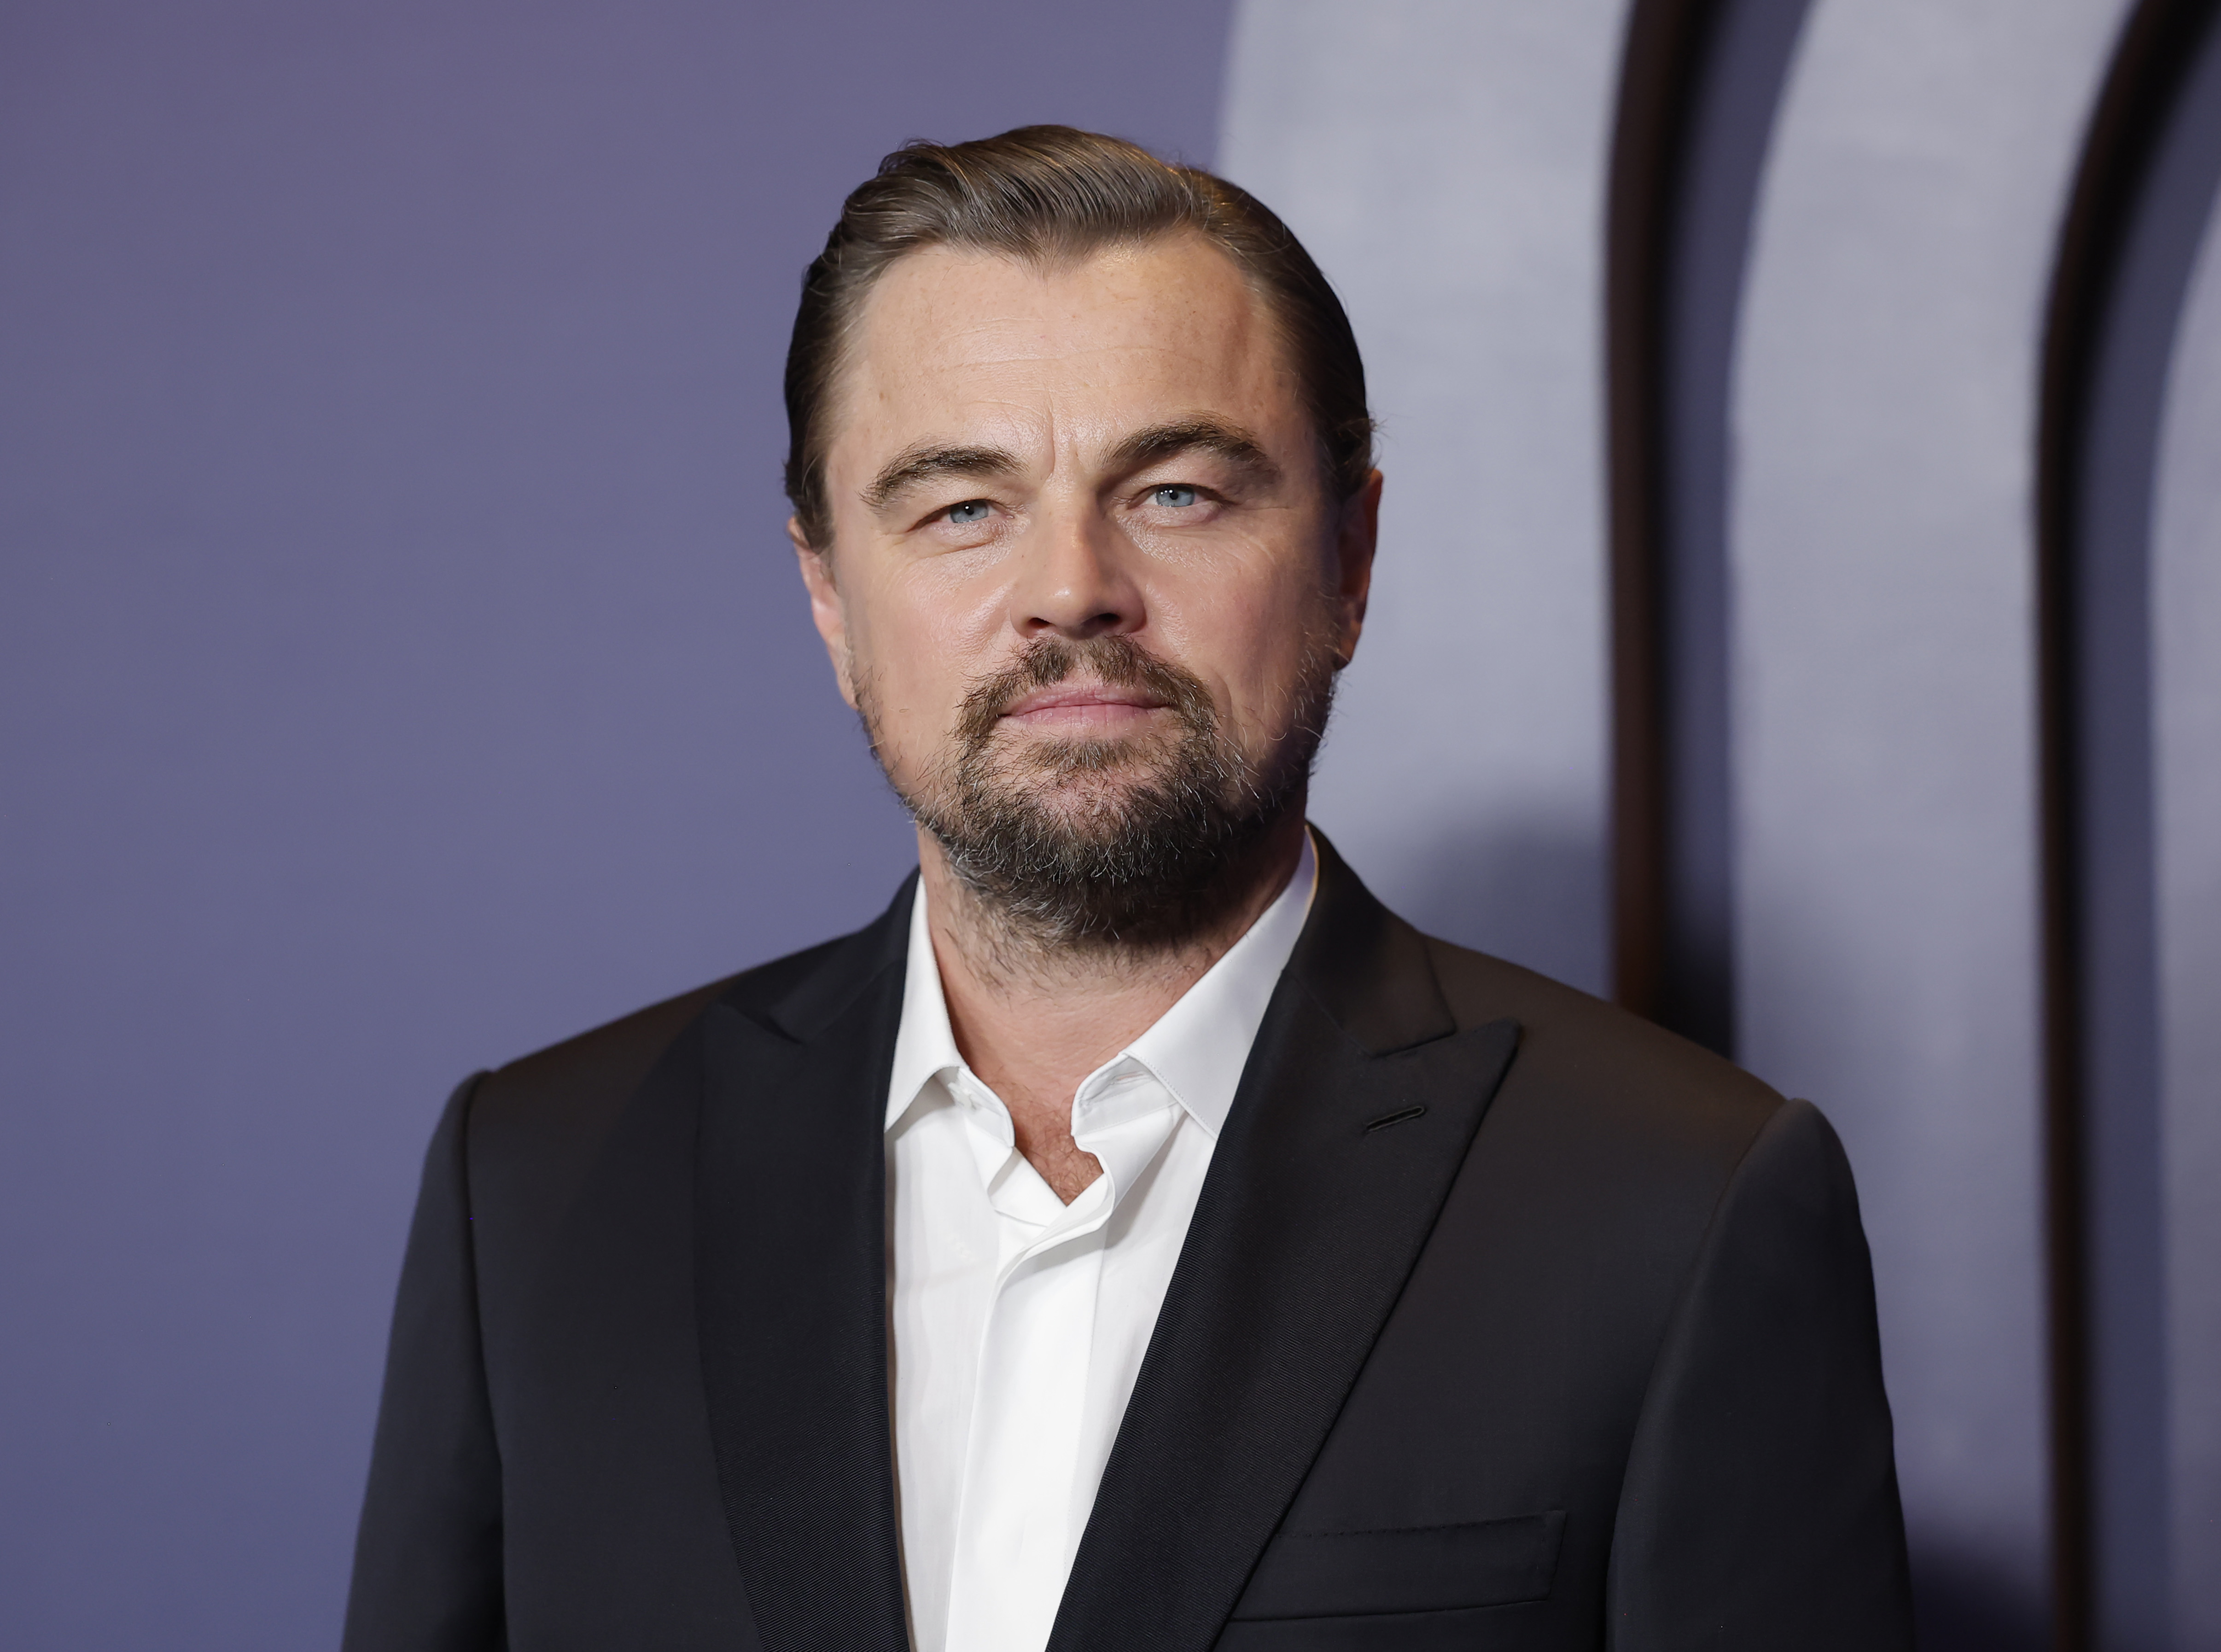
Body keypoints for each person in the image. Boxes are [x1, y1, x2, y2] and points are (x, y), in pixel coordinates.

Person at [344, 126, 1912, 1652]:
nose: (1070, 587)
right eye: (962, 506)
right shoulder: (539, 1194)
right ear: (829, 594)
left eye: (1175, 492)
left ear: (1352, 562)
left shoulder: (1678, 1203)